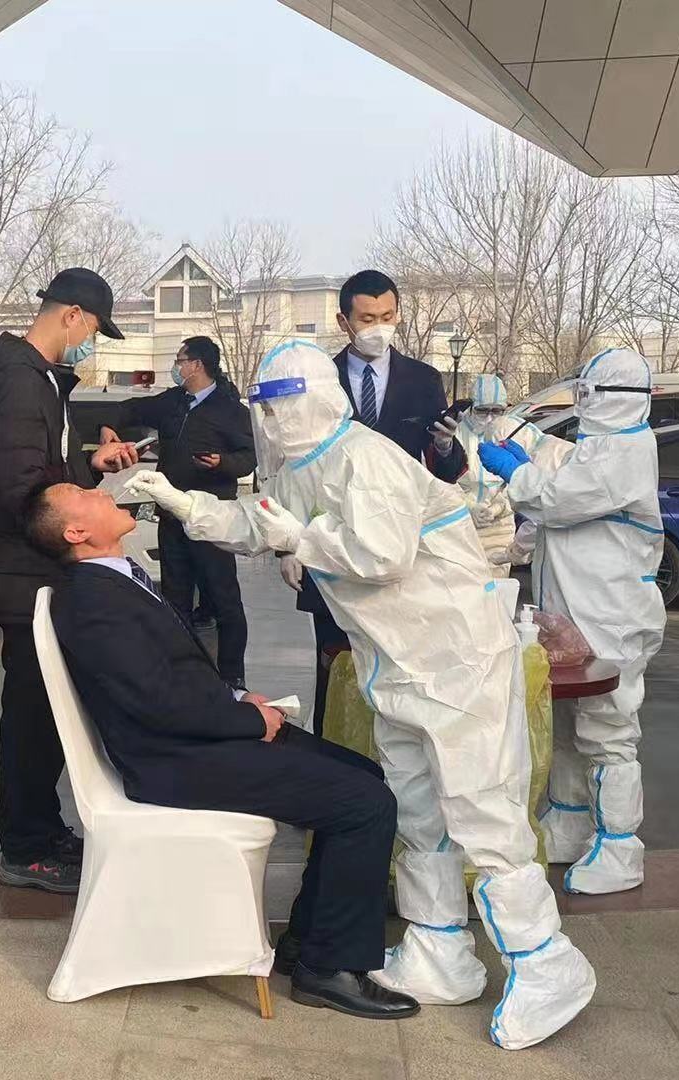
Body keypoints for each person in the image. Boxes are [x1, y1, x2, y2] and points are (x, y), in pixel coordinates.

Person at [129, 339, 596, 1050]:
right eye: (267, 407)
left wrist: (302, 539)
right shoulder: (302, 467)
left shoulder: (365, 458)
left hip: (455, 659)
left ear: (320, 400)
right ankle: (439, 947)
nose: (275, 420)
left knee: (481, 810)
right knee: (419, 811)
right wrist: (181, 501)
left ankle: (545, 961)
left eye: (283, 404)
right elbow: (257, 523)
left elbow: (382, 555)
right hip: (400, 665)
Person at [29, 480, 417, 1020]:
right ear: (76, 532)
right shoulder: (92, 599)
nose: (101, 492)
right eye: (83, 494)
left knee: (365, 777)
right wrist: (247, 722)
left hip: (195, 738)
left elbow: (172, 675)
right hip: (176, 761)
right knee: (365, 804)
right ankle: (330, 969)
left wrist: (238, 698)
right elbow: (156, 702)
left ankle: (310, 941)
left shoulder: (113, 578)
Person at [0, 266, 139, 893]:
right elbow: (19, 491)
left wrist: (89, 467)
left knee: (47, 711)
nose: (89, 344)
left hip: (41, 570)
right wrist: (81, 529)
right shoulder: (20, 380)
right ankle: (25, 846)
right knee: (32, 715)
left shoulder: (38, 380)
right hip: (28, 574)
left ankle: (41, 826)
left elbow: (43, 474)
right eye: (92, 331)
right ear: (72, 316)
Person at [477, 348, 667, 895]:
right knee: (564, 723)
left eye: (586, 394)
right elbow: (558, 504)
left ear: (608, 398)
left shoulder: (627, 451)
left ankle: (620, 845)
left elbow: (559, 501)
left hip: (612, 613)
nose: (581, 404)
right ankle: (568, 820)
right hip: (574, 609)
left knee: (608, 728)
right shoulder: (599, 448)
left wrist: (517, 472)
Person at [299, 270, 472, 728]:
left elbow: (444, 476)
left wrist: (444, 446)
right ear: (344, 321)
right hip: (334, 544)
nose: (379, 327)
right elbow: (296, 467)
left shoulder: (423, 380)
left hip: (401, 549)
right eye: (367, 318)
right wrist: (288, 545)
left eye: (388, 316)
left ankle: (396, 758)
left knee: (399, 674)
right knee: (336, 668)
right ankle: (334, 753)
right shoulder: (320, 381)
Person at [96, 335, 254, 686]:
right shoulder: (173, 402)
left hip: (212, 520)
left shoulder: (231, 410)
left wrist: (222, 463)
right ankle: (181, 673)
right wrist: (110, 425)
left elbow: (248, 458)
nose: (176, 367)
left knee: (224, 601)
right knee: (174, 600)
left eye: (180, 360)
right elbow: (131, 409)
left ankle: (233, 679)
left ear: (197, 365)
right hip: (171, 517)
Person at [451, 373, 525, 566]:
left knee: (497, 580)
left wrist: (500, 506)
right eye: (482, 411)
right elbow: (440, 481)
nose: (490, 418)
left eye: (496, 411)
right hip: (461, 523)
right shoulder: (454, 433)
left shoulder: (514, 431)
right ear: (471, 406)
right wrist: (468, 506)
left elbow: (526, 478)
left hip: (500, 527)